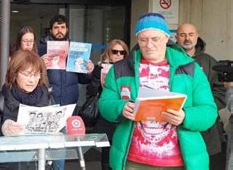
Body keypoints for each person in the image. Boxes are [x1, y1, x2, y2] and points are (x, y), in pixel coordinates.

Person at [99, 13, 218, 169]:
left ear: (166, 38)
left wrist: (185, 116)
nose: (149, 45)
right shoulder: (120, 69)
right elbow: (104, 104)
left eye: (155, 39)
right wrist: (120, 107)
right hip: (133, 161)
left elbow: (209, 111)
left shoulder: (190, 68)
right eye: (143, 39)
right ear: (137, 40)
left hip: (180, 162)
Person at [38, 15, 94, 170]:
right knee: (42, 139)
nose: (59, 31)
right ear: (51, 30)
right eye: (56, 27)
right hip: (47, 101)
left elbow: (83, 79)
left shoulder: (76, 49)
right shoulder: (41, 49)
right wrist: (40, 64)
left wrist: (88, 71)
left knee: (60, 141)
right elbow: (33, 76)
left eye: (62, 27)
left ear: (67, 29)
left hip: (69, 102)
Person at [0, 50, 51, 169]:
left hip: (38, 164)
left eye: (35, 74)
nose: (32, 80)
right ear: (14, 74)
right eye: (26, 74)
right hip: (7, 166)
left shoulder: (47, 98)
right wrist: (3, 130)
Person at [176, 23, 226, 169]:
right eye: (182, 35)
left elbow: (221, 90)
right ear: (176, 37)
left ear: (197, 37)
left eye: (191, 35)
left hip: (206, 129)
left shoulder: (209, 61)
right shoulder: (169, 60)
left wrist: (204, 110)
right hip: (175, 122)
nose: (187, 39)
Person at [86, 39, 129, 170]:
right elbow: (91, 92)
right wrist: (96, 78)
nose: (118, 55)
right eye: (115, 51)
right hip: (106, 116)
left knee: (123, 150)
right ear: (108, 53)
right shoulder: (100, 68)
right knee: (107, 152)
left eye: (122, 53)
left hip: (125, 115)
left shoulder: (131, 71)